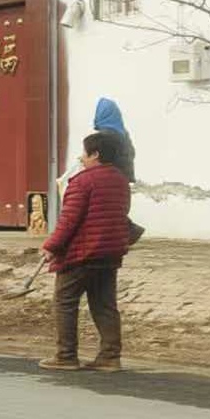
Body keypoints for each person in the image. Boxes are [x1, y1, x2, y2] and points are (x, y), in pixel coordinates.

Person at [39, 132, 133, 372]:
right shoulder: (121, 180)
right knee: (104, 304)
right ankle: (110, 357)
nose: (81, 158)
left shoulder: (82, 182)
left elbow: (68, 220)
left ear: (96, 154)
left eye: (84, 153)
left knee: (65, 301)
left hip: (82, 253)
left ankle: (66, 356)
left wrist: (51, 246)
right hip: (110, 251)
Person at [92, 97, 145, 246]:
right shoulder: (122, 132)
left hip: (110, 178)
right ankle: (126, 234)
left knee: (106, 208)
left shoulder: (106, 135)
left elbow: (101, 157)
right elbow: (131, 153)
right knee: (114, 208)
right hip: (122, 177)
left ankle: (130, 231)